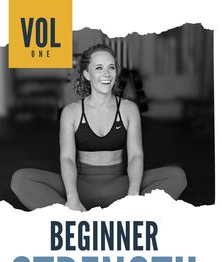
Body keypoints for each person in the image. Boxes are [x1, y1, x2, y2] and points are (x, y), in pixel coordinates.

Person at [11, 44, 187, 211]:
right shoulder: (71, 112)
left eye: (111, 67)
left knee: (176, 176)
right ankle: (75, 215)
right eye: (99, 68)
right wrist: (72, 197)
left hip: (120, 187)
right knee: (21, 179)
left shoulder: (128, 109)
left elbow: (135, 156)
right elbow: (67, 159)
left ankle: (109, 216)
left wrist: (133, 195)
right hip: (80, 188)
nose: (107, 74)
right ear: (87, 74)